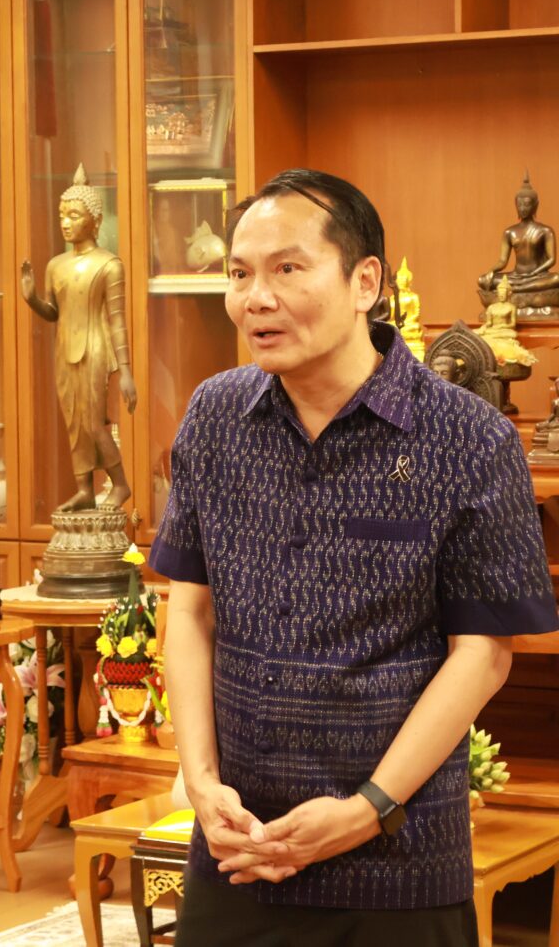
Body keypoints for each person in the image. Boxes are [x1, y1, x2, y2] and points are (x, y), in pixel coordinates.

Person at [150, 168, 558, 946]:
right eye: (239, 274)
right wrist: (200, 783)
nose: (255, 298)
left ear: (365, 281)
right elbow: (190, 613)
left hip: (399, 867)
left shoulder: (469, 439)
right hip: (239, 854)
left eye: (287, 269)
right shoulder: (214, 416)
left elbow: (484, 654)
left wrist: (369, 808)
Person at [20, 165, 137, 512]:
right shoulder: (55, 265)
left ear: (95, 220)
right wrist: (31, 299)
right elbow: (53, 313)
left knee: (94, 423)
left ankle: (121, 484)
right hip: (64, 350)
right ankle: (84, 488)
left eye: (74, 215)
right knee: (74, 424)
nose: (66, 222)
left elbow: (118, 320)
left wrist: (126, 371)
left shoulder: (109, 265)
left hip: (96, 348)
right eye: (62, 215)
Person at [478, 172, 559, 298]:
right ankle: (521, 288)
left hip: (537, 276)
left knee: (557, 278)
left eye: (526, 204)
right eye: (519, 205)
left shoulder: (545, 231)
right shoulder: (509, 232)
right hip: (516, 276)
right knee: (482, 280)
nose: (522, 208)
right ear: (515, 205)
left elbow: (552, 260)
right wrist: (491, 271)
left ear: (536, 205)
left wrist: (533, 273)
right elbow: (502, 261)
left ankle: (514, 289)